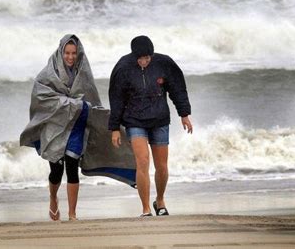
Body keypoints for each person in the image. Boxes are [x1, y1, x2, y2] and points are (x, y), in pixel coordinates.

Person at [20, 34, 137, 222]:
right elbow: (41, 97)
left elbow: (91, 99)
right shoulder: (47, 73)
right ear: (61, 52)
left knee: (72, 167)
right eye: (67, 52)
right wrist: (71, 103)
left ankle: (72, 214)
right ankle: (53, 197)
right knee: (56, 171)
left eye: (74, 53)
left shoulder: (83, 72)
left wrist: (110, 119)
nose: (70, 57)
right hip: (55, 127)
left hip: (77, 125)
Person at [108, 35, 193, 217]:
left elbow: (177, 89)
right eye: (142, 58)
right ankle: (146, 208)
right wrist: (114, 127)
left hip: (159, 119)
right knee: (143, 161)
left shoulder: (164, 63)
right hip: (134, 120)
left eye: (148, 58)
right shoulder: (123, 68)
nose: (145, 61)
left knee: (161, 166)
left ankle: (160, 201)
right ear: (134, 56)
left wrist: (184, 114)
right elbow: (116, 99)